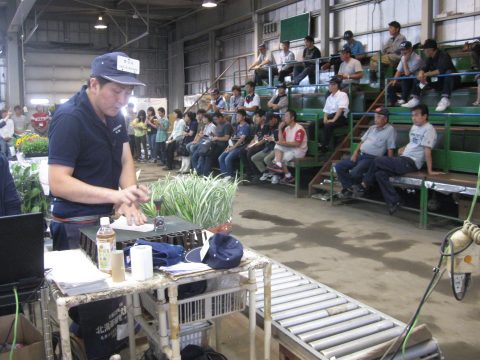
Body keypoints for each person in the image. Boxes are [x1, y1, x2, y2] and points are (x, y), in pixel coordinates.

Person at [48, 52, 150, 359]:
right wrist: (114, 196)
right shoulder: (69, 118)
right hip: (74, 227)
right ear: (94, 84)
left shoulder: (116, 118)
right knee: (88, 303)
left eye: (128, 93)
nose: (122, 99)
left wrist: (129, 195)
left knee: (109, 298)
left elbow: (124, 158)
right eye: (116, 91)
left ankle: (106, 343)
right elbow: (58, 182)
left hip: (104, 224)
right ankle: (87, 346)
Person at [371, 104, 439, 215]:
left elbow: (427, 151)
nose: (413, 118)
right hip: (403, 159)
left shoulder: (429, 129)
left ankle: (364, 184)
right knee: (380, 174)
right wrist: (404, 147)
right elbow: (413, 143)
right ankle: (395, 201)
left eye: (416, 115)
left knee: (377, 160)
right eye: (412, 115)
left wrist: (430, 170)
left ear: (425, 116)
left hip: (411, 163)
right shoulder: (414, 127)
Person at [334, 107, 396, 198]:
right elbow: (362, 141)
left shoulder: (390, 130)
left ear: (385, 119)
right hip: (361, 155)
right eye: (375, 117)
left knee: (355, 172)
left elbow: (391, 148)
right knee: (339, 166)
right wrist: (355, 153)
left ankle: (357, 190)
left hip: (372, 158)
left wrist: (390, 164)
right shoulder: (372, 128)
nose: (375, 119)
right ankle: (349, 189)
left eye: (378, 117)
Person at [402, 39, 460, 112]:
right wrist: (421, 73)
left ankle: (445, 99)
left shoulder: (444, 55)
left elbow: (440, 70)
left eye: (425, 49)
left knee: (449, 72)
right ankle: (415, 99)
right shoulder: (429, 58)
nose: (424, 51)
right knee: (419, 77)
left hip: (452, 82)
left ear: (431, 49)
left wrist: (425, 74)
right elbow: (424, 68)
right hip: (439, 82)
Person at [266, 110, 308, 185]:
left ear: (292, 118)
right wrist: (279, 129)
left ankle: (288, 176)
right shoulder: (287, 128)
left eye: (286, 116)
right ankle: (282, 168)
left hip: (299, 151)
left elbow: (297, 144)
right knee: (278, 146)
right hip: (291, 148)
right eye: (284, 116)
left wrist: (283, 143)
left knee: (281, 157)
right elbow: (281, 141)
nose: (284, 118)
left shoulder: (299, 129)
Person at [387, 41, 424, 106]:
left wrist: (405, 61)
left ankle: (403, 99)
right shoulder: (403, 57)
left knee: (405, 78)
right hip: (407, 84)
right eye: (402, 50)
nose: (403, 52)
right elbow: (398, 71)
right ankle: (394, 104)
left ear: (411, 49)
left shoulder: (417, 59)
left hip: (417, 83)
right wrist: (394, 81)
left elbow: (407, 73)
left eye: (405, 49)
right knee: (391, 87)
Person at [195, 112, 233, 176]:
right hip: (214, 143)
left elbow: (226, 138)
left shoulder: (227, 125)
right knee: (203, 153)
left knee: (208, 155)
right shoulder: (218, 124)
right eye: (214, 119)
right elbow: (217, 135)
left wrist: (216, 138)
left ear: (220, 117)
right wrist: (213, 135)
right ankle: (200, 172)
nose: (215, 121)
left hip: (222, 145)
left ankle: (205, 174)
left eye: (216, 119)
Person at [218, 109, 251, 179]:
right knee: (220, 158)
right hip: (233, 146)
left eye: (239, 116)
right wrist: (228, 147)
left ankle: (230, 176)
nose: (237, 117)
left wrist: (232, 148)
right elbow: (232, 138)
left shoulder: (246, 126)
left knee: (227, 158)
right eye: (236, 116)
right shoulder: (237, 126)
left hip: (240, 147)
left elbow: (241, 139)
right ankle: (225, 176)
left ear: (244, 117)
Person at [321, 76, 349, 152]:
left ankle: (325, 146)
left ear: (336, 85)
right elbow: (326, 110)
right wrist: (325, 118)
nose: (328, 86)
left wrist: (333, 120)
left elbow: (341, 109)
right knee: (313, 125)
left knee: (328, 125)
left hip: (340, 117)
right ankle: (317, 144)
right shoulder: (329, 97)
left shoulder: (343, 95)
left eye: (330, 84)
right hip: (331, 116)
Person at [253, 113, 280, 183]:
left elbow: (280, 140)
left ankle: (276, 174)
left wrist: (272, 139)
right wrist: (266, 138)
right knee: (254, 158)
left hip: (277, 148)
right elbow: (264, 136)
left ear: (274, 119)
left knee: (267, 159)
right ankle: (266, 172)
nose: (269, 123)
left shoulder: (280, 126)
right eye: (267, 122)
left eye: (270, 121)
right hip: (268, 147)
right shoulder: (268, 126)